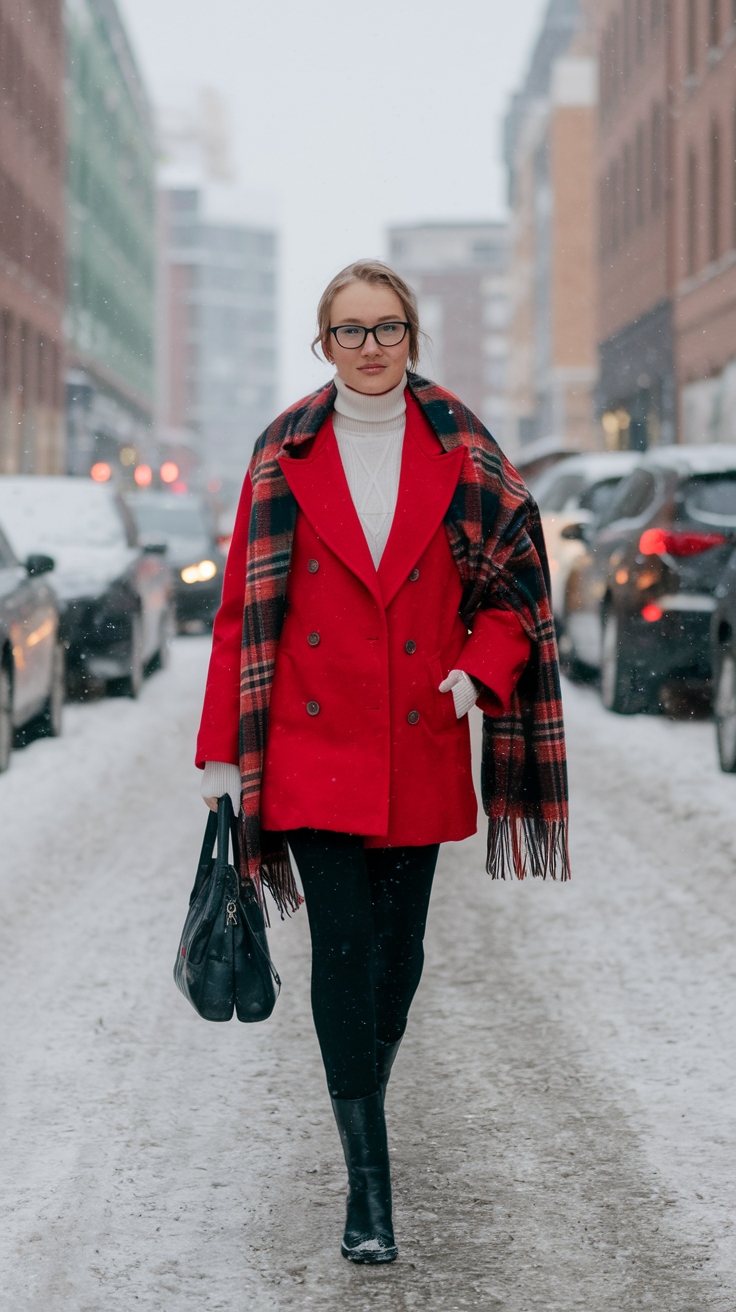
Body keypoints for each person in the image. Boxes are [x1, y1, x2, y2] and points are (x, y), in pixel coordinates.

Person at [195, 260, 569, 1264]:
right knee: (346, 954)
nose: (370, 347)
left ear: (411, 336)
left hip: (420, 736)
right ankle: (370, 1190)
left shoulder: (461, 447)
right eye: (349, 331)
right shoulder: (285, 448)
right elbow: (242, 610)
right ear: (323, 343)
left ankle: (364, 1092)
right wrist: (225, 753)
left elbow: (516, 596)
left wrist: (474, 674)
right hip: (312, 748)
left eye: (387, 327)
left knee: (397, 962)